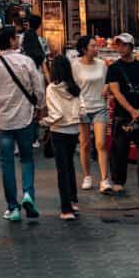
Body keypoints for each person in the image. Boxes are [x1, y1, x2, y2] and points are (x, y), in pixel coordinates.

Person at [0, 26, 45, 220]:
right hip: (25, 118)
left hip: (2, 121)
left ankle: (13, 207)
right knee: (26, 158)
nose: (18, 40)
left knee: (7, 162)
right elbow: (38, 89)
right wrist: (40, 108)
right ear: (10, 41)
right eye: (15, 37)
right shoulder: (27, 62)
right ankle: (28, 194)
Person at [106, 33, 139, 201]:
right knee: (119, 150)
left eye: (123, 45)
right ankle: (118, 181)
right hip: (122, 115)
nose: (120, 48)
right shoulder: (114, 68)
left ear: (131, 46)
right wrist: (131, 110)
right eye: (118, 45)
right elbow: (115, 91)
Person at [43, 56, 83, 221]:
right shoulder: (74, 88)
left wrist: (43, 122)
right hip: (74, 130)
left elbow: (56, 114)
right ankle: (73, 200)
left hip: (59, 130)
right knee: (70, 165)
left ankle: (66, 208)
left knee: (62, 169)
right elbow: (82, 109)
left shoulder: (52, 88)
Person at [72, 35, 112, 194]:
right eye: (93, 46)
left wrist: (107, 87)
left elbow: (109, 80)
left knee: (101, 143)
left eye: (96, 46)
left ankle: (104, 179)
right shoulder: (75, 66)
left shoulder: (102, 64)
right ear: (84, 49)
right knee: (85, 144)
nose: (96, 48)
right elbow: (72, 86)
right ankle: (87, 176)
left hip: (99, 107)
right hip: (82, 108)